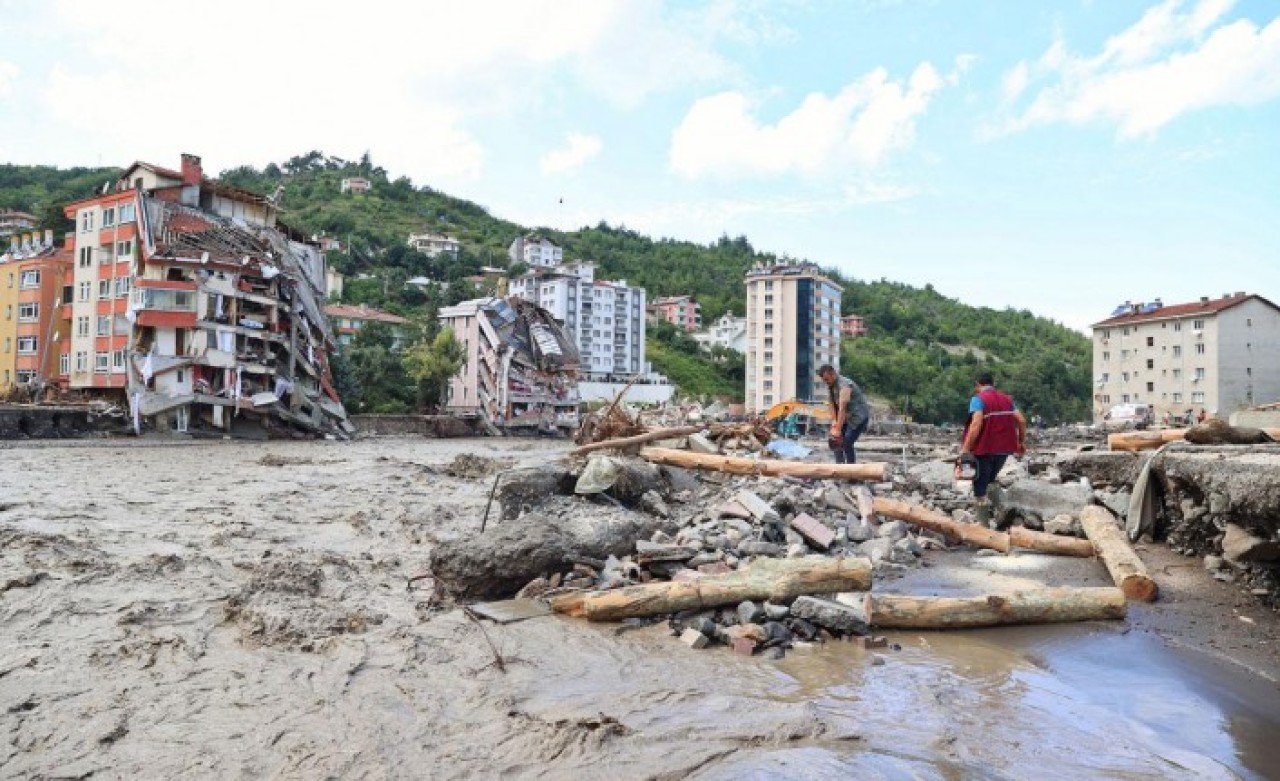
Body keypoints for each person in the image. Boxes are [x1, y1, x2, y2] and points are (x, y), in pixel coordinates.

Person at [959, 371, 1027, 523]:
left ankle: (984, 527)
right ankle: (1005, 512)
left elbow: (976, 424)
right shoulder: (1007, 400)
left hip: (984, 449)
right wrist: (1021, 442)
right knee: (990, 480)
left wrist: (965, 448)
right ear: (993, 383)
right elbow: (1021, 421)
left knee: (980, 488)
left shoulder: (978, 399)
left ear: (978, 385)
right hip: (1004, 449)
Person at [818, 364, 870, 464]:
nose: (826, 382)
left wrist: (838, 429)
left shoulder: (845, 385)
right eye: (824, 380)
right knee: (835, 441)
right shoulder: (831, 386)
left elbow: (842, 409)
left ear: (833, 374)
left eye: (827, 379)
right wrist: (834, 422)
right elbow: (831, 404)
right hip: (845, 418)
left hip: (857, 417)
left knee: (846, 442)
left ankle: (851, 473)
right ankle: (839, 468)